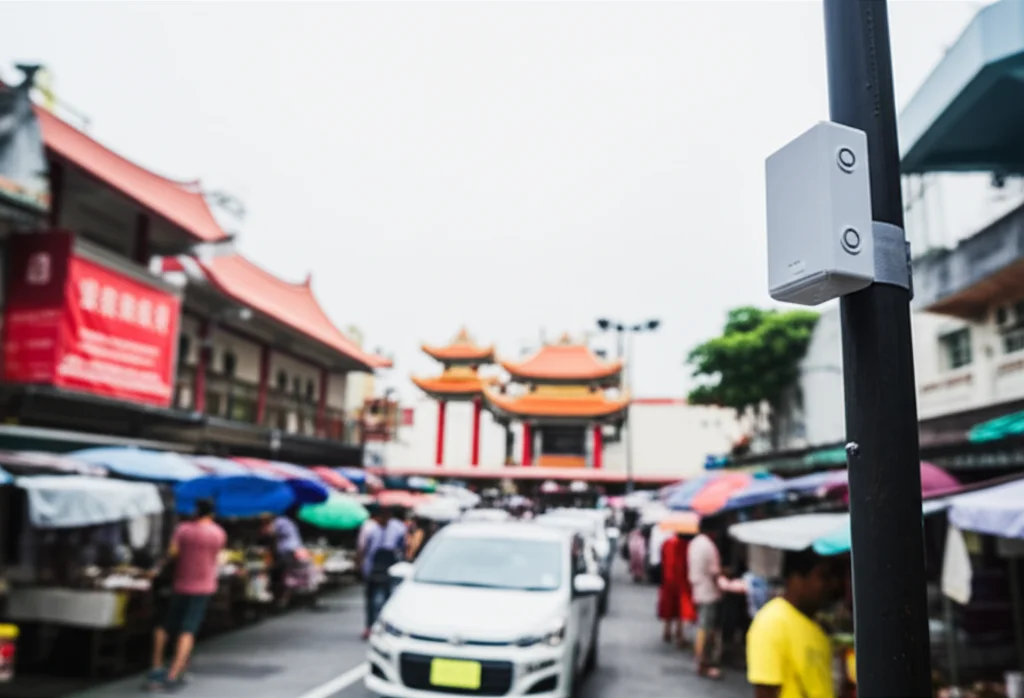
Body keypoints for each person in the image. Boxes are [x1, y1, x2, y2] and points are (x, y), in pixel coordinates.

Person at [146, 498, 226, 692]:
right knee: (188, 630)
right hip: (204, 586)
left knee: (164, 625)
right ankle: (174, 673)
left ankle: (156, 667)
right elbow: (218, 558)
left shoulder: (183, 530)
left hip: (181, 585)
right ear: (212, 514)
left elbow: (173, 552)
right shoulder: (218, 533)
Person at [746, 549, 839, 698]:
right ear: (796, 579)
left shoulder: (817, 624)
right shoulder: (772, 622)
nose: (832, 585)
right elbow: (765, 692)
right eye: (823, 577)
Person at [359, 505, 406, 639]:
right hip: (372, 567)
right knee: (370, 600)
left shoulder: (398, 527)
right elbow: (363, 548)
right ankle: (369, 626)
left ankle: (384, 627)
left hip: (390, 568)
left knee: (388, 599)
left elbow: (402, 547)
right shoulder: (369, 528)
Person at [688, 518, 724, 679]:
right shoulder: (709, 546)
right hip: (708, 591)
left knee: (702, 627)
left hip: (697, 589)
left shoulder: (694, 543)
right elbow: (714, 572)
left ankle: (700, 661)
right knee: (705, 628)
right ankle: (703, 663)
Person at [657, 531, 696, 646]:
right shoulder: (687, 545)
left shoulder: (666, 543)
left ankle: (667, 630)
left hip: (667, 579)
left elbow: (662, 560)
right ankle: (679, 634)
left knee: (668, 606)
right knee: (680, 608)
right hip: (682, 580)